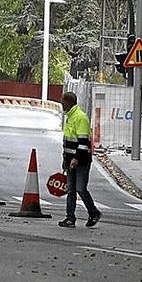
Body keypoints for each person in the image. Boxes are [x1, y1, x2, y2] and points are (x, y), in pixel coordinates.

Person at [58, 92, 101, 228]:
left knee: (81, 188)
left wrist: (76, 158)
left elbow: (83, 142)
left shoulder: (80, 118)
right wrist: (65, 160)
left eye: (63, 102)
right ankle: (70, 218)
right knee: (70, 190)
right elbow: (68, 142)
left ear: (69, 102)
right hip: (70, 159)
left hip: (81, 161)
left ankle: (93, 212)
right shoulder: (69, 117)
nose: (62, 104)